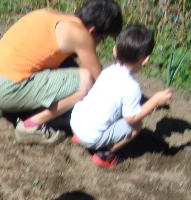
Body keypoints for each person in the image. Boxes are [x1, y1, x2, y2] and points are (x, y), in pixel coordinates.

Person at [0, 0, 123, 144]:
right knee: (86, 80)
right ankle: (30, 125)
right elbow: (99, 80)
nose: (100, 44)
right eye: (102, 39)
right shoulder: (80, 34)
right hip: (3, 89)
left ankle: (13, 107)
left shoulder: (48, 14)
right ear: (92, 30)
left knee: (66, 66)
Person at [70, 25, 172, 168]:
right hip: (91, 137)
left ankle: (80, 138)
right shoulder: (132, 87)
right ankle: (105, 154)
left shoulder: (108, 71)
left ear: (115, 50)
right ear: (145, 60)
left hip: (75, 123)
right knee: (136, 126)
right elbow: (132, 118)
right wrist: (154, 101)